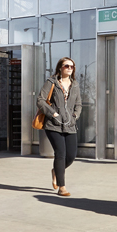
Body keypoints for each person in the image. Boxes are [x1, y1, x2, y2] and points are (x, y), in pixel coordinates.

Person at [36, 57, 82, 197]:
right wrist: (53, 114)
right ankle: (62, 187)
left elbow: (78, 104)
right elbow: (40, 100)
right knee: (60, 154)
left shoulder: (75, 85)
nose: (69, 68)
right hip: (53, 125)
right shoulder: (51, 82)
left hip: (70, 125)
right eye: (66, 66)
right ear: (60, 67)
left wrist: (75, 116)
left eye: (72, 66)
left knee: (71, 156)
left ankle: (56, 171)